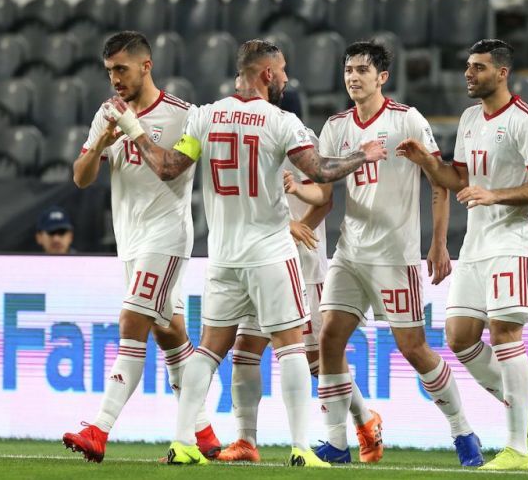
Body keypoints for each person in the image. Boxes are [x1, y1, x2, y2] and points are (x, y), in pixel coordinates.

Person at [103, 38, 387, 467]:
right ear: (267, 74)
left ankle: (182, 443)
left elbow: (166, 168)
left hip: (222, 255)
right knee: (292, 347)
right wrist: (361, 156)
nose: (288, 78)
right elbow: (320, 171)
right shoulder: (280, 121)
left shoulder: (204, 117)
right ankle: (300, 448)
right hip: (271, 252)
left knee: (209, 350)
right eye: (284, 70)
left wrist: (134, 130)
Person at [312, 40, 480, 466]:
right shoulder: (335, 125)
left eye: (362, 70)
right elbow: (325, 183)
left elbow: (439, 180)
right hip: (349, 253)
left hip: (395, 256)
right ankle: (336, 442)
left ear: (382, 77)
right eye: (348, 69)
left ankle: (463, 432)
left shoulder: (408, 120)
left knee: (414, 347)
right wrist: (299, 191)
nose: (353, 77)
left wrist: (439, 243)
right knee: (329, 337)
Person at [63, 31, 219, 463]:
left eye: (121, 69)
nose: (115, 78)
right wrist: (100, 145)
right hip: (129, 240)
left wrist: (132, 130)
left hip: (166, 237)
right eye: (109, 70)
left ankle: (99, 427)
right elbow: (81, 177)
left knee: (132, 319)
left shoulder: (184, 116)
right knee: (169, 334)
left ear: (146, 66)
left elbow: (172, 172)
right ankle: (203, 431)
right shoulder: (107, 113)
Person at [397, 39, 528, 471]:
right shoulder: (468, 118)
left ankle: (516, 449)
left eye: (479, 68)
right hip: (477, 246)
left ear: (502, 73)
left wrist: (495, 194)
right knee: (459, 337)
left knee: (505, 334)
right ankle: (527, 411)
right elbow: (456, 178)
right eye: (468, 66)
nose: (469, 74)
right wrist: (426, 163)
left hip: (513, 243)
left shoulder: (527, 122)